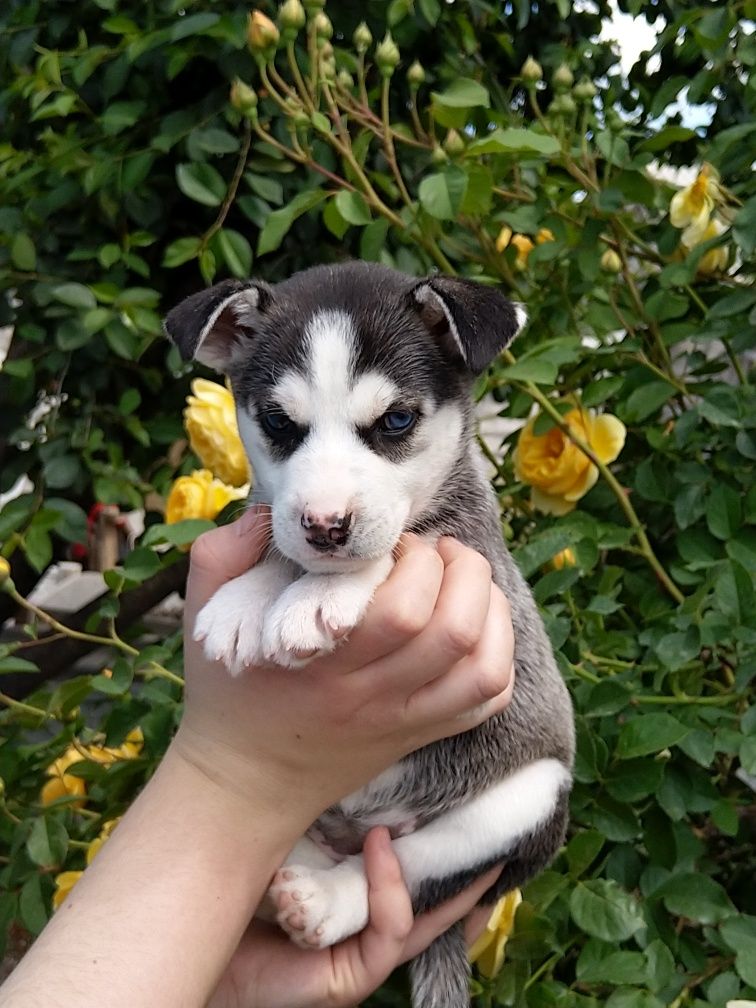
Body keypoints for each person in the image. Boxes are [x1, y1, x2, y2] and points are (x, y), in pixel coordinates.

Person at [1, 506, 515, 1008]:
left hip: (465, 800)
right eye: (278, 420)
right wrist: (240, 770)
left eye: (398, 418)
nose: (324, 511)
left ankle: (355, 886)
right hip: (311, 841)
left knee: (535, 787)